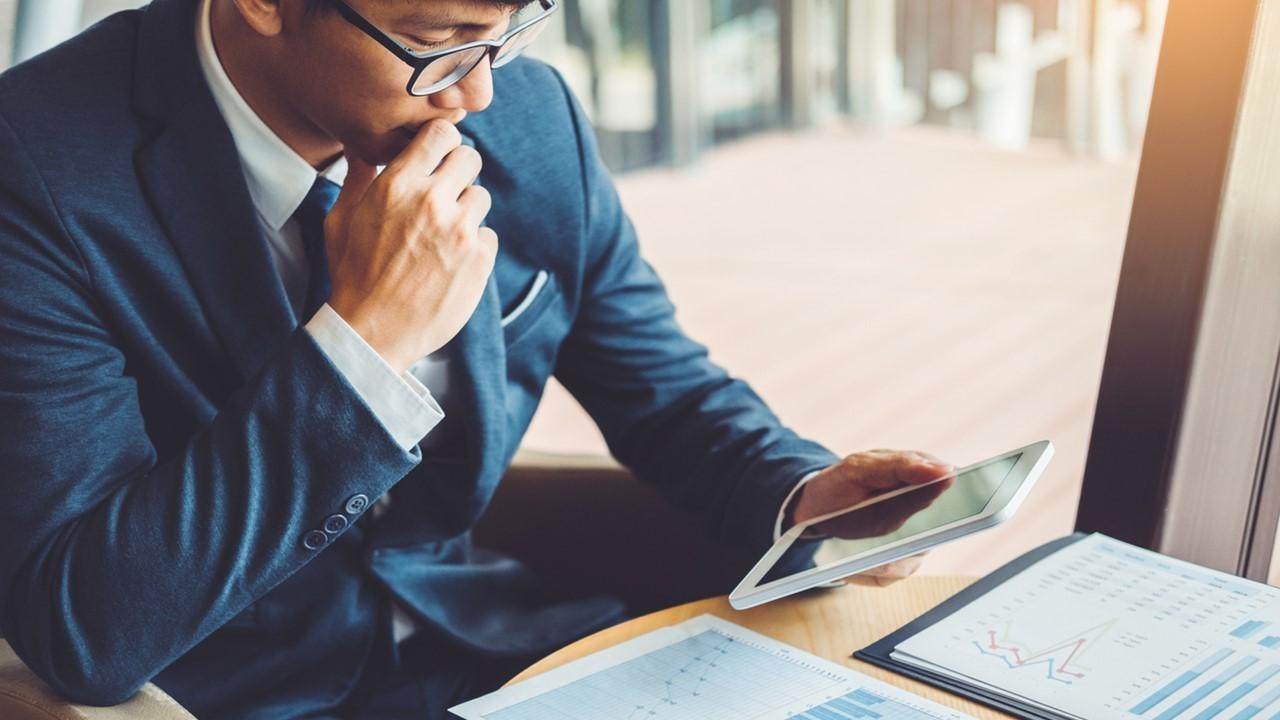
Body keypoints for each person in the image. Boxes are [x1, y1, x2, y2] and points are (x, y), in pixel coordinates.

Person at [0, 0, 955, 717]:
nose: (479, 92)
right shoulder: (33, 171)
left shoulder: (530, 121)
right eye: (441, 43)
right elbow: (87, 628)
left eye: (510, 30)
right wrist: (364, 346)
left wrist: (804, 498)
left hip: (501, 652)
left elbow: (664, 392)